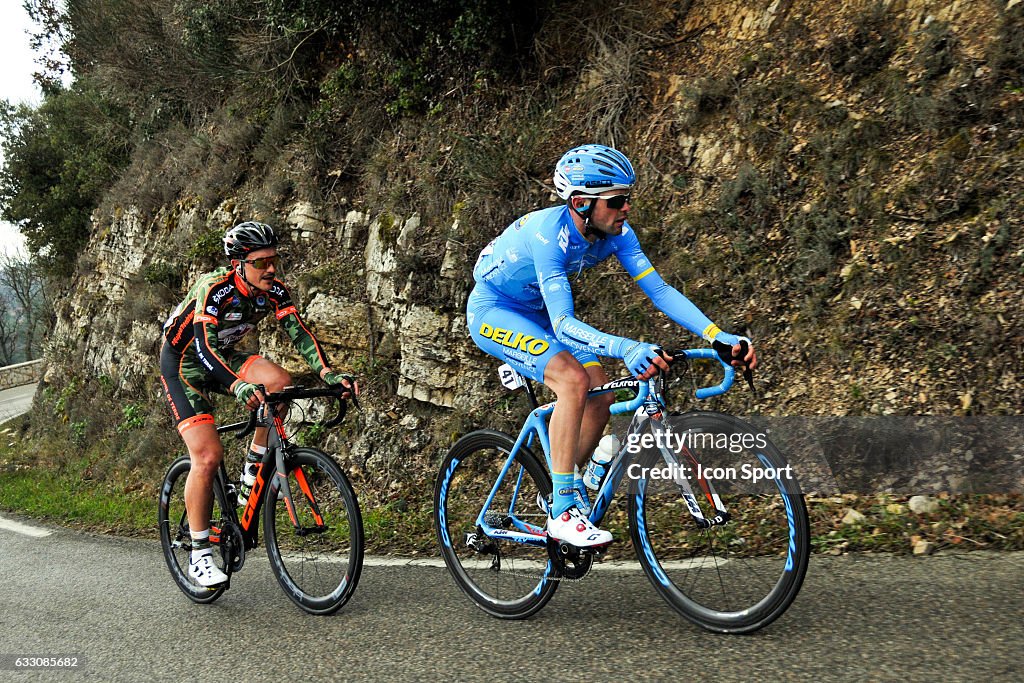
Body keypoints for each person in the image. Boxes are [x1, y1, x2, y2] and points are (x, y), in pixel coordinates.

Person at [467, 144, 756, 548]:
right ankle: (562, 511)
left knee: (600, 394)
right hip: (495, 310)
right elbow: (564, 323)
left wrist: (717, 334)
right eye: (617, 201)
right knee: (571, 381)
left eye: (628, 199)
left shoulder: (617, 234)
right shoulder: (550, 236)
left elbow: (659, 289)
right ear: (582, 203)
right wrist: (627, 348)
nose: (626, 209)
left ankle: (561, 488)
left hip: (539, 313)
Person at [159, 221, 356, 587]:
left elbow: (299, 332)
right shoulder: (214, 290)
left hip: (225, 355)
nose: (271, 269)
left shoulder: (274, 290)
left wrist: (328, 373)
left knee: (279, 383)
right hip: (184, 364)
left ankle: (252, 470)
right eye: (261, 262)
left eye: (274, 260)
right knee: (207, 456)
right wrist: (236, 386)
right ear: (239, 264)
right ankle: (199, 554)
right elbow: (203, 346)